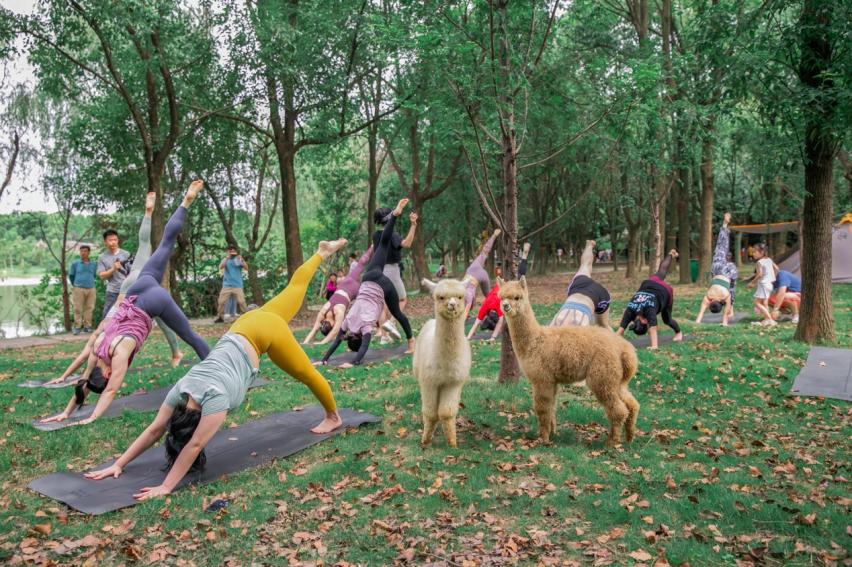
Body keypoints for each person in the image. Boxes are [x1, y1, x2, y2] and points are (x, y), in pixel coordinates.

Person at [83, 240, 347, 501]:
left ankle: (334, 417)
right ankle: (320, 252)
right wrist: (119, 463)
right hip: (244, 326)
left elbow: (194, 444)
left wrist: (165, 487)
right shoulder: (181, 390)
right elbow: (155, 429)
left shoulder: (215, 401)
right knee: (295, 287)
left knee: (306, 373)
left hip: (263, 335)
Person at [40, 182, 209, 424]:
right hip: (138, 288)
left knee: (191, 336)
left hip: (152, 303)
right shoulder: (98, 351)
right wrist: (67, 412)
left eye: (108, 376)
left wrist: (90, 417)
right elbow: (86, 383)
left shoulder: (117, 357)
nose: (111, 377)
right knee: (164, 244)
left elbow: (109, 391)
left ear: (106, 373)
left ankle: (220, 372)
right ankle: (186, 201)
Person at [45, 193, 184, 386]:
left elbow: (85, 358)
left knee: (158, 313)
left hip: (129, 290)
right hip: (133, 288)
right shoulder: (106, 339)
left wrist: (66, 376)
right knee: (160, 315)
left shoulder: (102, 337)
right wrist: (68, 377)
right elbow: (86, 360)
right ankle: (176, 352)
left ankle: (176, 352)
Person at [318, 199, 415, 368]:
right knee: (383, 246)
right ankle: (395, 215)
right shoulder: (347, 322)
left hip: (382, 284)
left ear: (360, 337)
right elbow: (337, 342)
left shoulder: (366, 328)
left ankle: (411, 343)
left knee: (398, 313)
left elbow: (363, 348)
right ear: (352, 336)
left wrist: (353, 362)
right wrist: (324, 358)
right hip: (369, 277)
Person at [303, 246, 373, 345]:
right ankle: (373, 247)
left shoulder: (338, 312)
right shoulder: (324, 312)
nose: (333, 324)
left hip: (353, 290)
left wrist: (322, 342)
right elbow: (315, 329)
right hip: (346, 285)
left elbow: (335, 331)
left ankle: (374, 248)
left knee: (368, 282)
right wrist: (305, 342)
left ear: (331, 325)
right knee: (361, 266)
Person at [617, 249, 683, 349]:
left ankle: (679, 333)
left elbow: (653, 329)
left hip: (665, 291)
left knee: (667, 320)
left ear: (644, 322)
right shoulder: (630, 310)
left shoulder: (649, 310)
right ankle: (670, 255)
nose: (648, 324)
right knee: (661, 271)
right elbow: (620, 331)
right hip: (649, 283)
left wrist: (654, 346)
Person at [467, 242, 531, 340]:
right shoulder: (486, 304)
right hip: (502, 284)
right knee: (514, 275)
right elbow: (476, 324)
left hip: (507, 289)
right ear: (487, 316)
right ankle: (516, 256)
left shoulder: (499, 307)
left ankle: (523, 256)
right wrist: (468, 337)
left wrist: (493, 337)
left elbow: (499, 322)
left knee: (520, 276)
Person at [372, 206, 418, 342]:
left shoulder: (375, 235)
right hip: (391, 270)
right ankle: (391, 323)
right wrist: (413, 225)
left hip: (378, 270)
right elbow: (407, 243)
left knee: (383, 303)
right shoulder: (392, 234)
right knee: (402, 299)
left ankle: (384, 337)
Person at [550, 239, 612, 328]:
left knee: (603, 326)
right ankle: (589, 245)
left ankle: (589, 245)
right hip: (583, 288)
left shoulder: (578, 326)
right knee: (585, 265)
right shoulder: (557, 323)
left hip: (591, 292)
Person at [695, 212, 739, 326]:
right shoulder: (708, 296)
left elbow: (724, 315)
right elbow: (701, 313)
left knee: (733, 289)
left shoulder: (725, 297)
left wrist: (725, 322)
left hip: (728, 273)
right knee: (720, 247)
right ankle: (724, 226)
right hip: (716, 270)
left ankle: (732, 310)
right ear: (711, 304)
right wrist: (697, 321)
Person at [98, 228, 131, 317]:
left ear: (118, 240)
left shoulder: (126, 254)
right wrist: (113, 269)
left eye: (115, 240)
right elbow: (101, 276)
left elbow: (132, 272)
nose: (113, 242)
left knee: (128, 315)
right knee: (107, 315)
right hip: (112, 291)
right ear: (105, 242)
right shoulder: (102, 257)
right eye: (110, 240)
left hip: (127, 290)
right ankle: (106, 331)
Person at [214, 246, 248, 323]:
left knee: (242, 301)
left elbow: (246, 268)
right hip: (227, 285)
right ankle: (220, 317)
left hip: (237, 285)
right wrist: (227, 258)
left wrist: (242, 261)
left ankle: (246, 316)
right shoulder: (225, 259)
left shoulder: (238, 259)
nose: (232, 252)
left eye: (233, 251)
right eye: (230, 251)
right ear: (227, 251)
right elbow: (221, 267)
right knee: (221, 302)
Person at [69, 244, 98, 334]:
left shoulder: (93, 264)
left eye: (85, 251)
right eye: (81, 251)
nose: (83, 253)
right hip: (78, 288)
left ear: (89, 252)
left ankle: (87, 326)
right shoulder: (75, 264)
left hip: (91, 288)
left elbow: (94, 275)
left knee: (90, 308)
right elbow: (71, 275)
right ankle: (77, 327)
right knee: (78, 308)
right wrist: (76, 285)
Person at [747, 242, 777, 326]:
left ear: (761, 252)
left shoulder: (759, 262)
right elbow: (777, 268)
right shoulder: (769, 260)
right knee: (765, 303)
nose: (753, 254)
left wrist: (751, 283)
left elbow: (759, 274)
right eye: (752, 252)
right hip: (769, 285)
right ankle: (766, 320)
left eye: (755, 252)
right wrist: (771, 277)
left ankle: (770, 320)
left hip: (763, 285)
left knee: (757, 303)